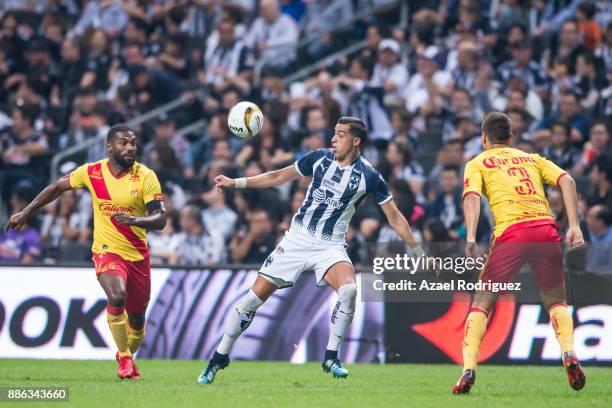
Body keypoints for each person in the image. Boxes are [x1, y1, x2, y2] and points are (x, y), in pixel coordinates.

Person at [198, 117, 424, 384]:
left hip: (330, 245)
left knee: (350, 289)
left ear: (356, 141)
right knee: (251, 301)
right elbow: (278, 176)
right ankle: (219, 356)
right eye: (334, 133)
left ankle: (331, 356)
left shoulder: (370, 176)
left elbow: (395, 217)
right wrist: (236, 182)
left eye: (340, 135)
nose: (333, 139)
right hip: (296, 240)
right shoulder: (318, 158)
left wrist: (419, 252)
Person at [4, 124, 167, 380]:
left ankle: (125, 354)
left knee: (136, 321)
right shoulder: (92, 172)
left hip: (137, 256)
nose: (131, 148)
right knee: (116, 296)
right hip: (106, 249)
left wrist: (135, 220)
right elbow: (57, 187)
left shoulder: (145, 176)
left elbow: (160, 219)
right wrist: (25, 212)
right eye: (124, 143)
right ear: (109, 147)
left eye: (133, 143)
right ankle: (125, 358)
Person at [455, 112, 586, 394]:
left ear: (484, 137)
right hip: (545, 229)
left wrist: (469, 236)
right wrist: (574, 225)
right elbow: (568, 181)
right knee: (556, 302)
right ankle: (569, 352)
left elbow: (472, 197)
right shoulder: (532, 158)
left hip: (511, 234)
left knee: (482, 302)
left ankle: (468, 369)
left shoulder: (478, 162)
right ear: (511, 138)